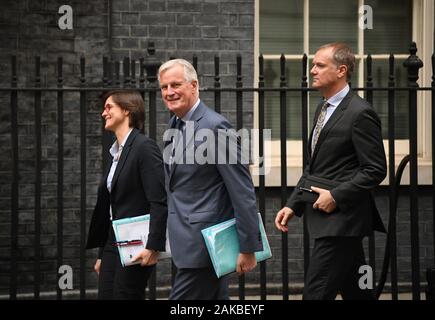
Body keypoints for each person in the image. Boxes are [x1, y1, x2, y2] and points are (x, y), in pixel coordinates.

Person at [274, 43, 387, 300]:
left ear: (341, 70)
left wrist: (335, 195)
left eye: (320, 65)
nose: (312, 70)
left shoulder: (360, 113)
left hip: (342, 221)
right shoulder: (324, 108)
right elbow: (315, 167)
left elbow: (375, 169)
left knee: (315, 294)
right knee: (357, 293)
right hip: (332, 222)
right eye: (313, 65)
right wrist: (294, 204)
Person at [158, 58, 262, 300]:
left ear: (194, 86)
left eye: (176, 84)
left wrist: (248, 247)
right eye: (164, 87)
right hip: (186, 242)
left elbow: (242, 189)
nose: (169, 92)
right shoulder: (176, 124)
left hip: (205, 247)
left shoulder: (215, 127)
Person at [86, 90, 168, 299]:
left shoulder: (144, 147)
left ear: (127, 110)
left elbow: (158, 201)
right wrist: (102, 254)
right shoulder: (115, 153)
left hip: (137, 240)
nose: (104, 113)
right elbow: (110, 207)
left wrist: (153, 246)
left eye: (109, 107)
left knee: (126, 295)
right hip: (113, 240)